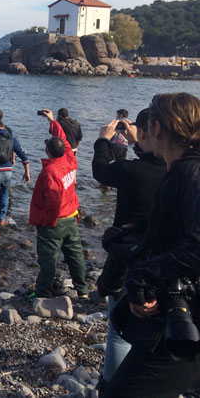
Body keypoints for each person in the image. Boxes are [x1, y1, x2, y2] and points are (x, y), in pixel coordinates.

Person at [103, 93, 200, 398]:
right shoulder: (180, 168)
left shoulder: (189, 171)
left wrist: (142, 275)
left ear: (157, 129)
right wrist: (144, 227)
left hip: (186, 317)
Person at [91, 109, 166, 390]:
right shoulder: (175, 170)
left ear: (150, 133)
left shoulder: (131, 170)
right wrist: (139, 142)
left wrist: (103, 140)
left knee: (119, 331)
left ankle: (112, 386)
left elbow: (100, 170)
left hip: (128, 257)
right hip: (164, 259)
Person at [28, 109, 88, 299]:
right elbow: (63, 138)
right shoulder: (70, 160)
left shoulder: (50, 172)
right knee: (75, 256)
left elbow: (53, 200)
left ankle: (43, 293)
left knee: (48, 260)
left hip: (56, 221)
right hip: (72, 217)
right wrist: (52, 120)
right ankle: (83, 290)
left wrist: (47, 222)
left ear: (48, 151)